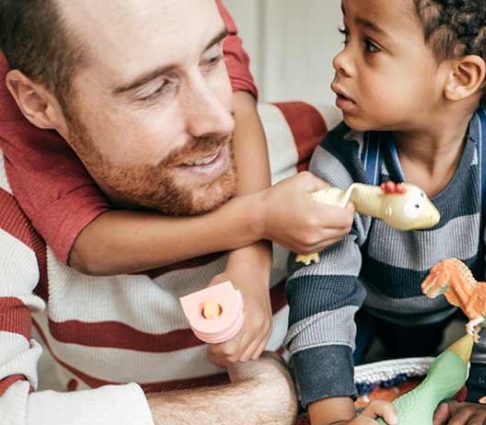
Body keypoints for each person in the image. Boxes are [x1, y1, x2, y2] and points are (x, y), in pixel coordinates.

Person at [0, 0, 353, 423]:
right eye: (153, 90)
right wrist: (257, 404)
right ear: (37, 103)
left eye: (211, 59)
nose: (217, 120)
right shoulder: (13, 215)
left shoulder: (326, 154)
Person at [283, 1, 486, 424]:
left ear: (460, 77)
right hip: (366, 312)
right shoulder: (343, 159)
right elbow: (322, 295)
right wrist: (334, 417)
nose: (340, 60)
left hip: (458, 317)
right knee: (303, 384)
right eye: (344, 35)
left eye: (370, 45)